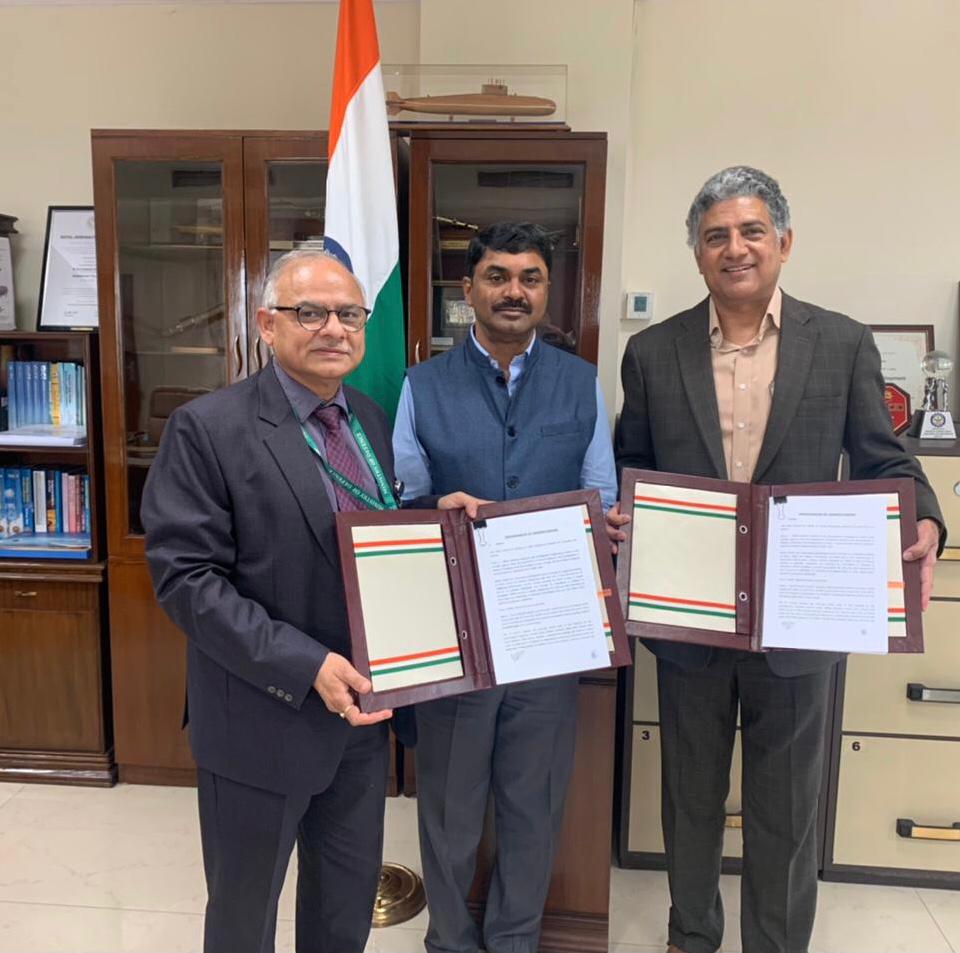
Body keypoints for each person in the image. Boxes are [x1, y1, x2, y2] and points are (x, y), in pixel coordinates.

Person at [615, 166, 944, 953]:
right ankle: (692, 934)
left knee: (788, 812)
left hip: (802, 624)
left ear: (784, 243)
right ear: (698, 253)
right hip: (690, 625)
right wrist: (623, 515)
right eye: (715, 235)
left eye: (751, 231)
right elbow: (632, 465)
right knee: (690, 800)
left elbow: (884, 458)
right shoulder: (652, 352)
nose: (735, 248)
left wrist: (926, 516)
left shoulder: (842, 342)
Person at [141, 249, 478, 953]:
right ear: (268, 324)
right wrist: (306, 665)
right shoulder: (208, 427)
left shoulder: (368, 418)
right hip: (259, 720)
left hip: (360, 719)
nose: (334, 328)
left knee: (341, 914)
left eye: (349, 314)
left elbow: (357, 532)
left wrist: (433, 521)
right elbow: (187, 580)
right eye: (310, 312)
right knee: (244, 919)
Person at [392, 221, 621, 953]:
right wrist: (436, 510)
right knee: (450, 812)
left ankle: (515, 939)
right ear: (469, 289)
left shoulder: (580, 382)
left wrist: (610, 530)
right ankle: (449, 941)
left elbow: (600, 497)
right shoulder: (421, 386)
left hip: (550, 636)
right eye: (497, 276)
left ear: (547, 292)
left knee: (533, 806)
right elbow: (402, 505)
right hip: (455, 637)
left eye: (530, 278)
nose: (513, 291)